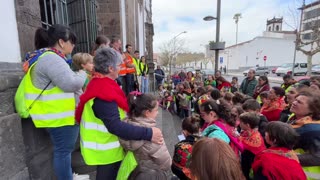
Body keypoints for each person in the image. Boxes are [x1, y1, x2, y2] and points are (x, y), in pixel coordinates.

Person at [75, 48, 164, 180]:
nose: (121, 68)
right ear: (111, 68)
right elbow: (115, 126)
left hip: (106, 149)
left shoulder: (99, 83)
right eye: (118, 65)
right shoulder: (103, 93)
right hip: (106, 153)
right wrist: (149, 134)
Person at [25, 24, 88, 180]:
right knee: (63, 152)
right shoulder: (51, 58)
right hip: (59, 117)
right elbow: (71, 84)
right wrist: (82, 73)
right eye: (71, 42)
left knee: (63, 151)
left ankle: (68, 176)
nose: (73, 46)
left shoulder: (46, 57)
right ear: (62, 42)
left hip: (57, 115)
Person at [120, 93, 172, 179]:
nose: (158, 113)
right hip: (150, 174)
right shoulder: (154, 135)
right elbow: (166, 163)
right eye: (156, 110)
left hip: (134, 173)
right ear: (147, 113)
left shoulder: (125, 126)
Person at [288, 89, 320, 179]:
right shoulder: (295, 117)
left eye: (299, 102)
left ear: (312, 109)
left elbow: (317, 157)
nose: (294, 102)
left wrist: (286, 157)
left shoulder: (314, 130)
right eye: (295, 99)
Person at [238, 112, 266, 180]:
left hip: (253, 162)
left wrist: (237, 138)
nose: (239, 123)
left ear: (247, 125)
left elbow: (246, 145)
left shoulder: (255, 138)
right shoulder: (246, 132)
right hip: (247, 159)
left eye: (241, 122)